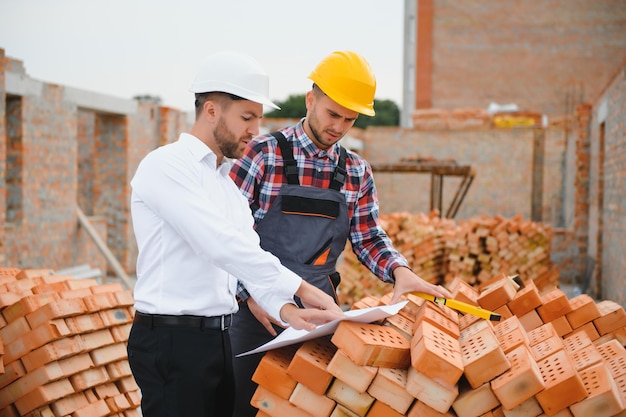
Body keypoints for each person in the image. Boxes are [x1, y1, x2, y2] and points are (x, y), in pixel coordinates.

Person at [229, 50, 453, 417]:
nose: (339, 126)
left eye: (349, 119)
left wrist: (401, 271)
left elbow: (368, 237)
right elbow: (226, 237)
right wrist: (247, 295)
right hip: (254, 317)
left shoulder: (355, 171)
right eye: (333, 114)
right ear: (311, 99)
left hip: (318, 317)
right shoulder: (261, 155)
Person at [126, 50, 344, 417]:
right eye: (246, 117)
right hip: (172, 341)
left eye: (258, 119)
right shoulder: (165, 166)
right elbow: (219, 245)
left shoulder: (224, 184)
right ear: (211, 110)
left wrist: (288, 311)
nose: (254, 131)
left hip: (218, 340)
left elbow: (247, 256)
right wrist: (302, 288)